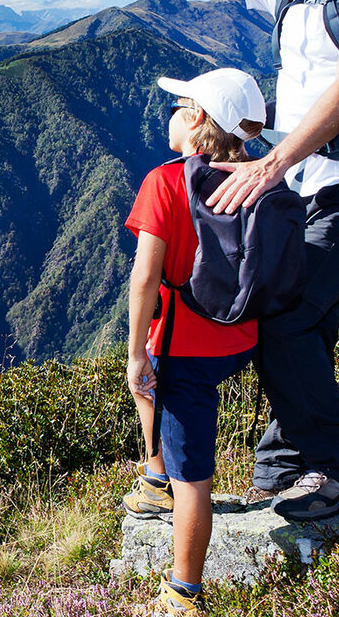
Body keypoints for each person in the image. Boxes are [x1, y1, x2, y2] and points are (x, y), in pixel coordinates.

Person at [38, 0, 339, 522]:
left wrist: (272, 161)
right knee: (295, 312)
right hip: (302, 184)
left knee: (287, 314)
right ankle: (285, 460)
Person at [122, 67, 266, 614]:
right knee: (151, 382)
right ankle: (155, 474)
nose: (172, 114)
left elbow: (144, 278)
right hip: (244, 334)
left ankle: (183, 591)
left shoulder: (164, 181)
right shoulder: (256, 173)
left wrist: (136, 353)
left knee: (195, 480)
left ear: (199, 118)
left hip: (185, 346)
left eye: (180, 105)